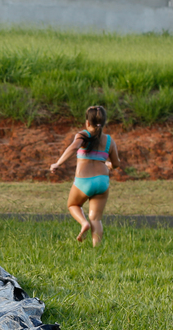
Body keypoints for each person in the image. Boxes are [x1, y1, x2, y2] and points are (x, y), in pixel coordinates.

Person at [49, 105, 123, 247]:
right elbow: (116, 163)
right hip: (102, 181)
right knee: (96, 219)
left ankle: (84, 223)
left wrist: (58, 163)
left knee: (73, 205)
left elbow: (73, 147)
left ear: (87, 122)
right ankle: (97, 250)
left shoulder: (83, 135)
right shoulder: (109, 140)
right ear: (104, 122)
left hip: (83, 181)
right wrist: (109, 165)